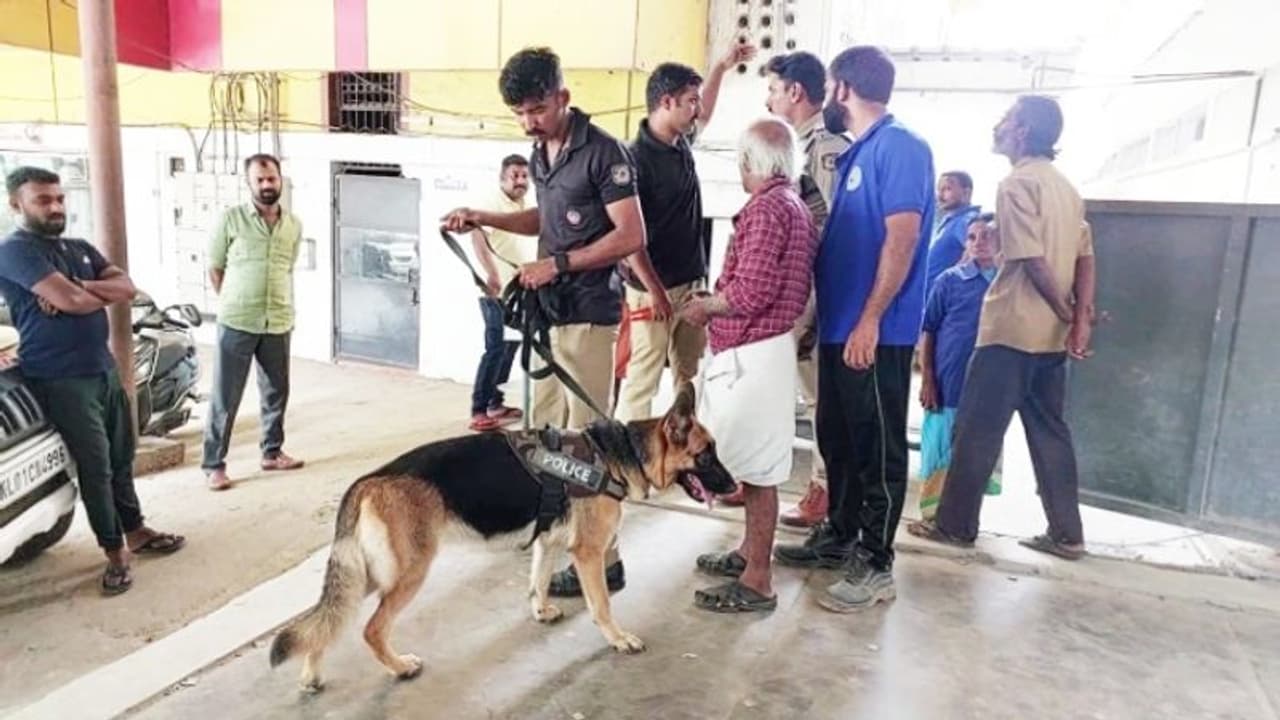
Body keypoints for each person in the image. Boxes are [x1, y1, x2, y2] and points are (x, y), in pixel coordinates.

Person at [441, 47, 652, 595]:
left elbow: (631, 236)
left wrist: (556, 263)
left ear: (563, 96)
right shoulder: (541, 153)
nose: (529, 122)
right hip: (550, 312)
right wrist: (484, 217)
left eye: (537, 108)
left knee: (591, 445)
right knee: (548, 443)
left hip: (588, 313)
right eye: (520, 114)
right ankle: (561, 542)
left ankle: (606, 559)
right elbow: (546, 217)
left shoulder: (605, 154)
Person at [773, 46, 936, 613]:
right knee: (838, 440)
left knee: (877, 447)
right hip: (841, 327)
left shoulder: (901, 147)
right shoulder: (856, 154)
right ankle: (839, 536)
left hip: (876, 331)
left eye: (830, 89)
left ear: (841, 88)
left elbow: (903, 237)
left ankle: (876, 562)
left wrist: (870, 318)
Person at [909, 95, 1097, 561]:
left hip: (1010, 330)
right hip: (1048, 340)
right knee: (1050, 432)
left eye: (1007, 119)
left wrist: (1068, 312)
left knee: (974, 431)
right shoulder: (1065, 189)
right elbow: (1085, 256)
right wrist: (1077, 318)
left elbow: (1030, 258)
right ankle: (1067, 533)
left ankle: (954, 526)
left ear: (1023, 131)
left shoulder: (1016, 185)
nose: (999, 124)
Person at [0, 166, 185, 595]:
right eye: (43, 200)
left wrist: (81, 289)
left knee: (122, 457)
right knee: (96, 469)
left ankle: (136, 531)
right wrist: (75, 294)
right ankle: (115, 553)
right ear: (16, 205)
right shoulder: (15, 251)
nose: (55, 207)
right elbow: (70, 300)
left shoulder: (77, 247)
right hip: (62, 378)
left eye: (59, 199)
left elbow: (127, 288)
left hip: (101, 369)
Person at [685, 118, 817, 613]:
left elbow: (753, 291)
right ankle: (749, 553)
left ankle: (758, 579)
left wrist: (706, 306)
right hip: (767, 347)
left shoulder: (767, 209)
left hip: (754, 352)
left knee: (759, 473)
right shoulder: (795, 206)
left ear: (750, 161)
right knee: (755, 465)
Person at [613, 44, 755, 424]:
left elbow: (706, 109)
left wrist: (722, 66)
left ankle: (685, 444)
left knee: (688, 373)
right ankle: (626, 456)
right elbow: (627, 237)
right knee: (642, 376)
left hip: (690, 281)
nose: (697, 110)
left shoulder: (681, 143)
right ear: (666, 102)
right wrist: (656, 290)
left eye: (696, 101)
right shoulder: (632, 160)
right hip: (651, 288)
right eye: (690, 102)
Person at [757, 50, 853, 526]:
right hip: (793, 289)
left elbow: (831, 229)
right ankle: (757, 479)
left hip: (815, 291)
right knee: (779, 387)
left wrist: (814, 309)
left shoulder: (826, 147)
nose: (769, 98)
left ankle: (824, 489)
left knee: (818, 397)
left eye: (774, 89)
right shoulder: (796, 146)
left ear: (795, 92)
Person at [202, 154, 306, 491]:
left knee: (276, 391)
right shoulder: (230, 220)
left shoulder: (293, 225)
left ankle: (272, 453)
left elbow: (286, 267)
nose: (266, 185)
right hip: (238, 320)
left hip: (277, 319)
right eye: (259, 180)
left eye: (271, 179)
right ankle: (214, 464)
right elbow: (216, 268)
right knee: (226, 395)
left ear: (280, 180)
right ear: (249, 183)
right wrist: (234, 301)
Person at [918, 213, 1002, 519]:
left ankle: (963, 516)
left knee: (976, 445)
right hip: (947, 378)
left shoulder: (1008, 283)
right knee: (940, 441)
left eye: (989, 236)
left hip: (988, 382)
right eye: (972, 237)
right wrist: (928, 377)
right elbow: (930, 329)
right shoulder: (950, 280)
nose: (980, 243)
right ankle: (934, 515)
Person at [468, 154, 536, 432]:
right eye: (514, 176)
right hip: (494, 290)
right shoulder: (490, 204)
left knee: (510, 346)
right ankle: (478, 410)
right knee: (494, 348)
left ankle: (496, 402)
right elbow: (476, 235)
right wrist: (492, 274)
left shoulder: (526, 206)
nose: (520, 181)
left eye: (524, 176)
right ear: (502, 177)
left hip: (517, 290)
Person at [924, 171, 981, 298]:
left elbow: (975, 254)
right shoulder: (950, 222)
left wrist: (949, 287)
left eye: (947, 189)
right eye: (939, 190)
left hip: (945, 303)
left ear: (966, 193)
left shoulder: (967, 220)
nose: (940, 195)